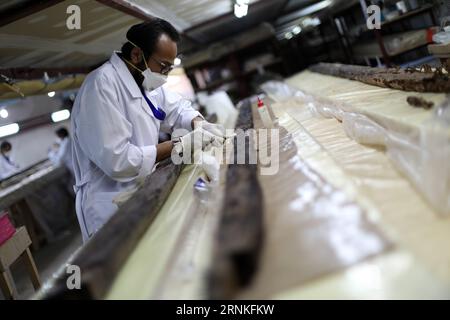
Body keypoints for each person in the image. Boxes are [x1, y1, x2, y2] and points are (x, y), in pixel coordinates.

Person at [71, 18, 224, 241]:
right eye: (163, 66)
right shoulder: (101, 85)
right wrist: (180, 145)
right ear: (136, 55)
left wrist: (199, 123)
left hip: (141, 189)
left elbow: (178, 108)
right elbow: (119, 161)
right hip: (109, 203)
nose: (165, 75)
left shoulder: (143, 81)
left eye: (169, 68)